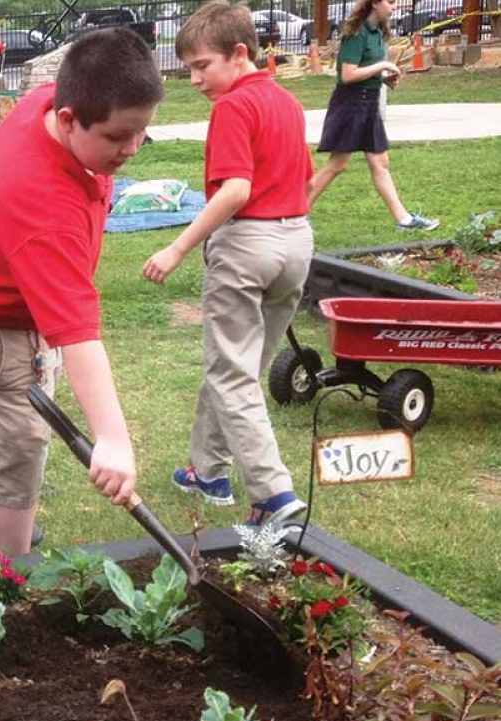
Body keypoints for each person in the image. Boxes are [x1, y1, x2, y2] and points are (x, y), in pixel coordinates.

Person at [0, 27, 160, 556]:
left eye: (141, 132)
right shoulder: (42, 209)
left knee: (9, 428)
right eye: (116, 137)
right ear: (69, 119)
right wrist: (113, 439)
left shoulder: (48, 103)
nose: (131, 149)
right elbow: (78, 336)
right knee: (19, 444)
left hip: (7, 304)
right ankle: (12, 572)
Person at [141, 1, 314, 528]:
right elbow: (307, 180)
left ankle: (274, 496)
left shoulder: (233, 107)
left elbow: (235, 189)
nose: (195, 80)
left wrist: (177, 248)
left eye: (202, 66)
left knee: (232, 374)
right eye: (189, 69)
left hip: (247, 245)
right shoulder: (287, 101)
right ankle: (207, 470)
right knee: (238, 366)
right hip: (296, 241)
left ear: (240, 54)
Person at [306, 0, 438, 231]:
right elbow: (348, 75)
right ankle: (296, 213)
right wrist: (382, 66)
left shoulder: (378, 32)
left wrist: (383, 79)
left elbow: (364, 71)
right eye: (391, 2)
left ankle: (404, 220)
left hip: (369, 103)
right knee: (338, 164)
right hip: (350, 104)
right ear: (375, 3)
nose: (395, 7)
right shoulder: (356, 34)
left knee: (380, 162)